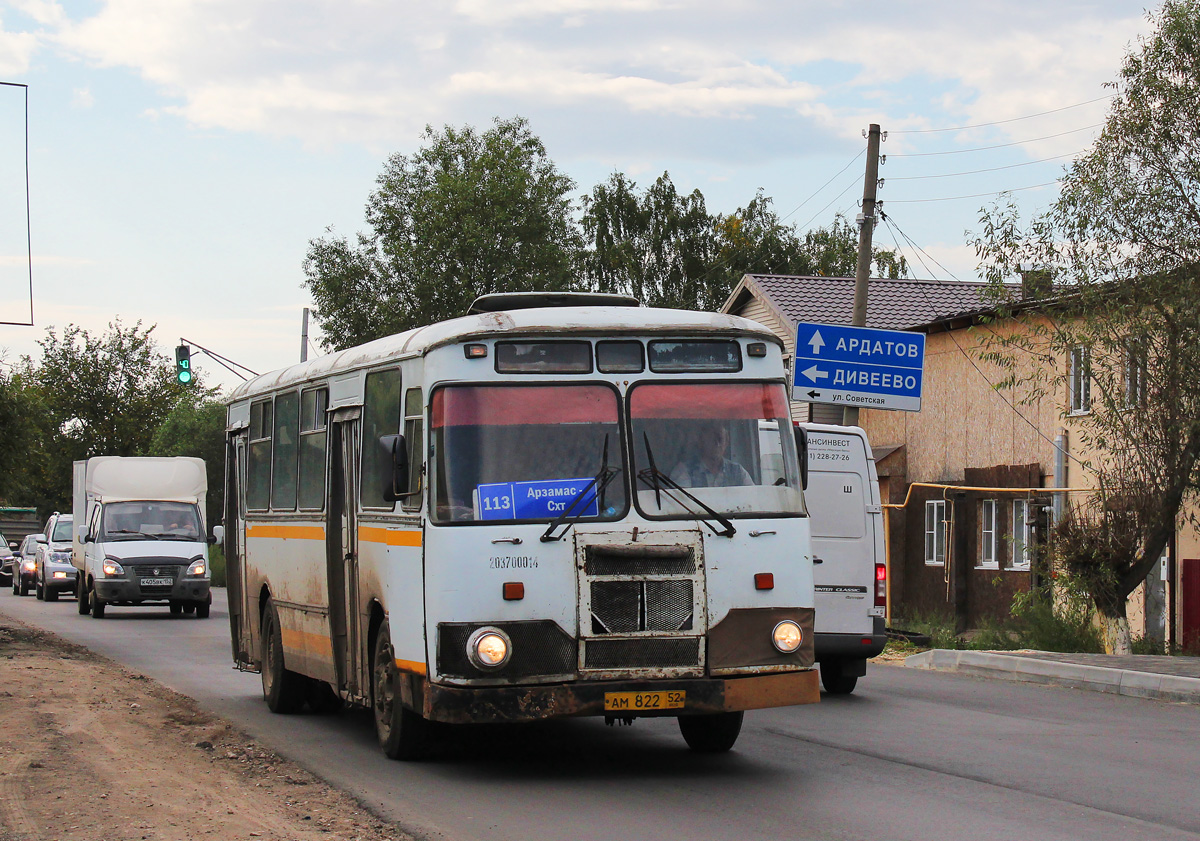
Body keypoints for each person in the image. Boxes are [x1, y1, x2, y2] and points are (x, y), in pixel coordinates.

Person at [671, 422, 753, 488]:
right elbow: (682, 504)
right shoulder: (685, 470)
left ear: (726, 443)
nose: (717, 444)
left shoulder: (738, 471)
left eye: (720, 439)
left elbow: (753, 498)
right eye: (713, 439)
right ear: (701, 441)